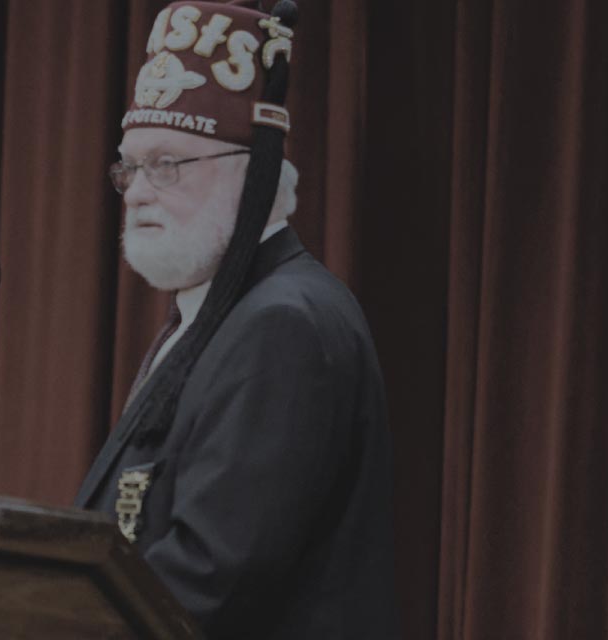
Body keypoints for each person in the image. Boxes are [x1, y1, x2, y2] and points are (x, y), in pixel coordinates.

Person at [71, 2, 398, 638]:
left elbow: (212, 575)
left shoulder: (283, 326)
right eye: (129, 167)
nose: (138, 191)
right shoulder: (221, 316)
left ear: (254, 175)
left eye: (167, 165)